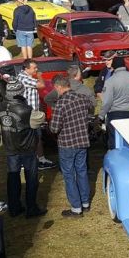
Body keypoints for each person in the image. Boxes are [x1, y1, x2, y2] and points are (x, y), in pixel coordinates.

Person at [0, 80, 46, 218]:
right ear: (20, 92)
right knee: (31, 179)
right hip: (26, 147)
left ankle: (14, 207)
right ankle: (31, 208)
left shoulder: (1, 106)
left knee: (12, 177)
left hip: (9, 147)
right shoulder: (25, 110)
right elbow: (39, 119)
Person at [49, 77, 94, 217]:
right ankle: (85, 202)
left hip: (67, 144)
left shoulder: (60, 104)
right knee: (82, 171)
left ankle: (76, 208)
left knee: (69, 175)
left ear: (58, 87)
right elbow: (91, 110)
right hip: (82, 141)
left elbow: (54, 128)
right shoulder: (83, 97)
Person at [100, 57, 129, 139]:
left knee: (116, 140)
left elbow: (107, 102)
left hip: (115, 114)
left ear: (113, 67)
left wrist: (101, 116)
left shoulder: (110, 81)